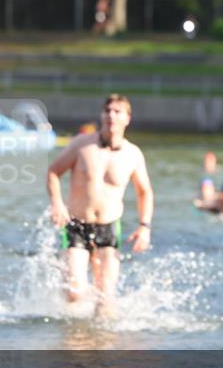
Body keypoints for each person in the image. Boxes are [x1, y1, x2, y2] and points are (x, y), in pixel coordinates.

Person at [46, 94, 153, 317]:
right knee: (75, 292)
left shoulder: (133, 154)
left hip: (109, 226)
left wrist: (145, 226)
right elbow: (53, 172)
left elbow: (145, 192)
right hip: (76, 224)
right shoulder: (82, 145)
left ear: (127, 118)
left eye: (117, 111)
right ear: (101, 115)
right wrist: (57, 203)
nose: (111, 115)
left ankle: (99, 347)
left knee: (106, 301)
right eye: (108, 111)